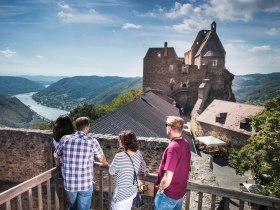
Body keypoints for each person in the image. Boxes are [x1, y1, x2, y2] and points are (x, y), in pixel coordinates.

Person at [54, 117, 108, 210]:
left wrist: (58, 165)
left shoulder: (65, 139)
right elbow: (101, 158)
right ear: (87, 127)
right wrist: (105, 163)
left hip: (69, 183)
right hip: (85, 183)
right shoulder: (92, 141)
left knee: (72, 207)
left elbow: (56, 155)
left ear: (76, 127)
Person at [154, 116, 191, 210]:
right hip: (179, 194)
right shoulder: (186, 143)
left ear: (170, 128)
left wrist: (160, 189)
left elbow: (167, 178)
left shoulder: (173, 148)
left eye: (166, 125)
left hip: (167, 195)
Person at [109, 130, 146, 210]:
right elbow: (143, 167)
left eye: (120, 140)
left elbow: (111, 171)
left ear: (123, 142)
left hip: (121, 195)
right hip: (132, 192)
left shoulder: (119, 156)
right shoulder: (138, 154)